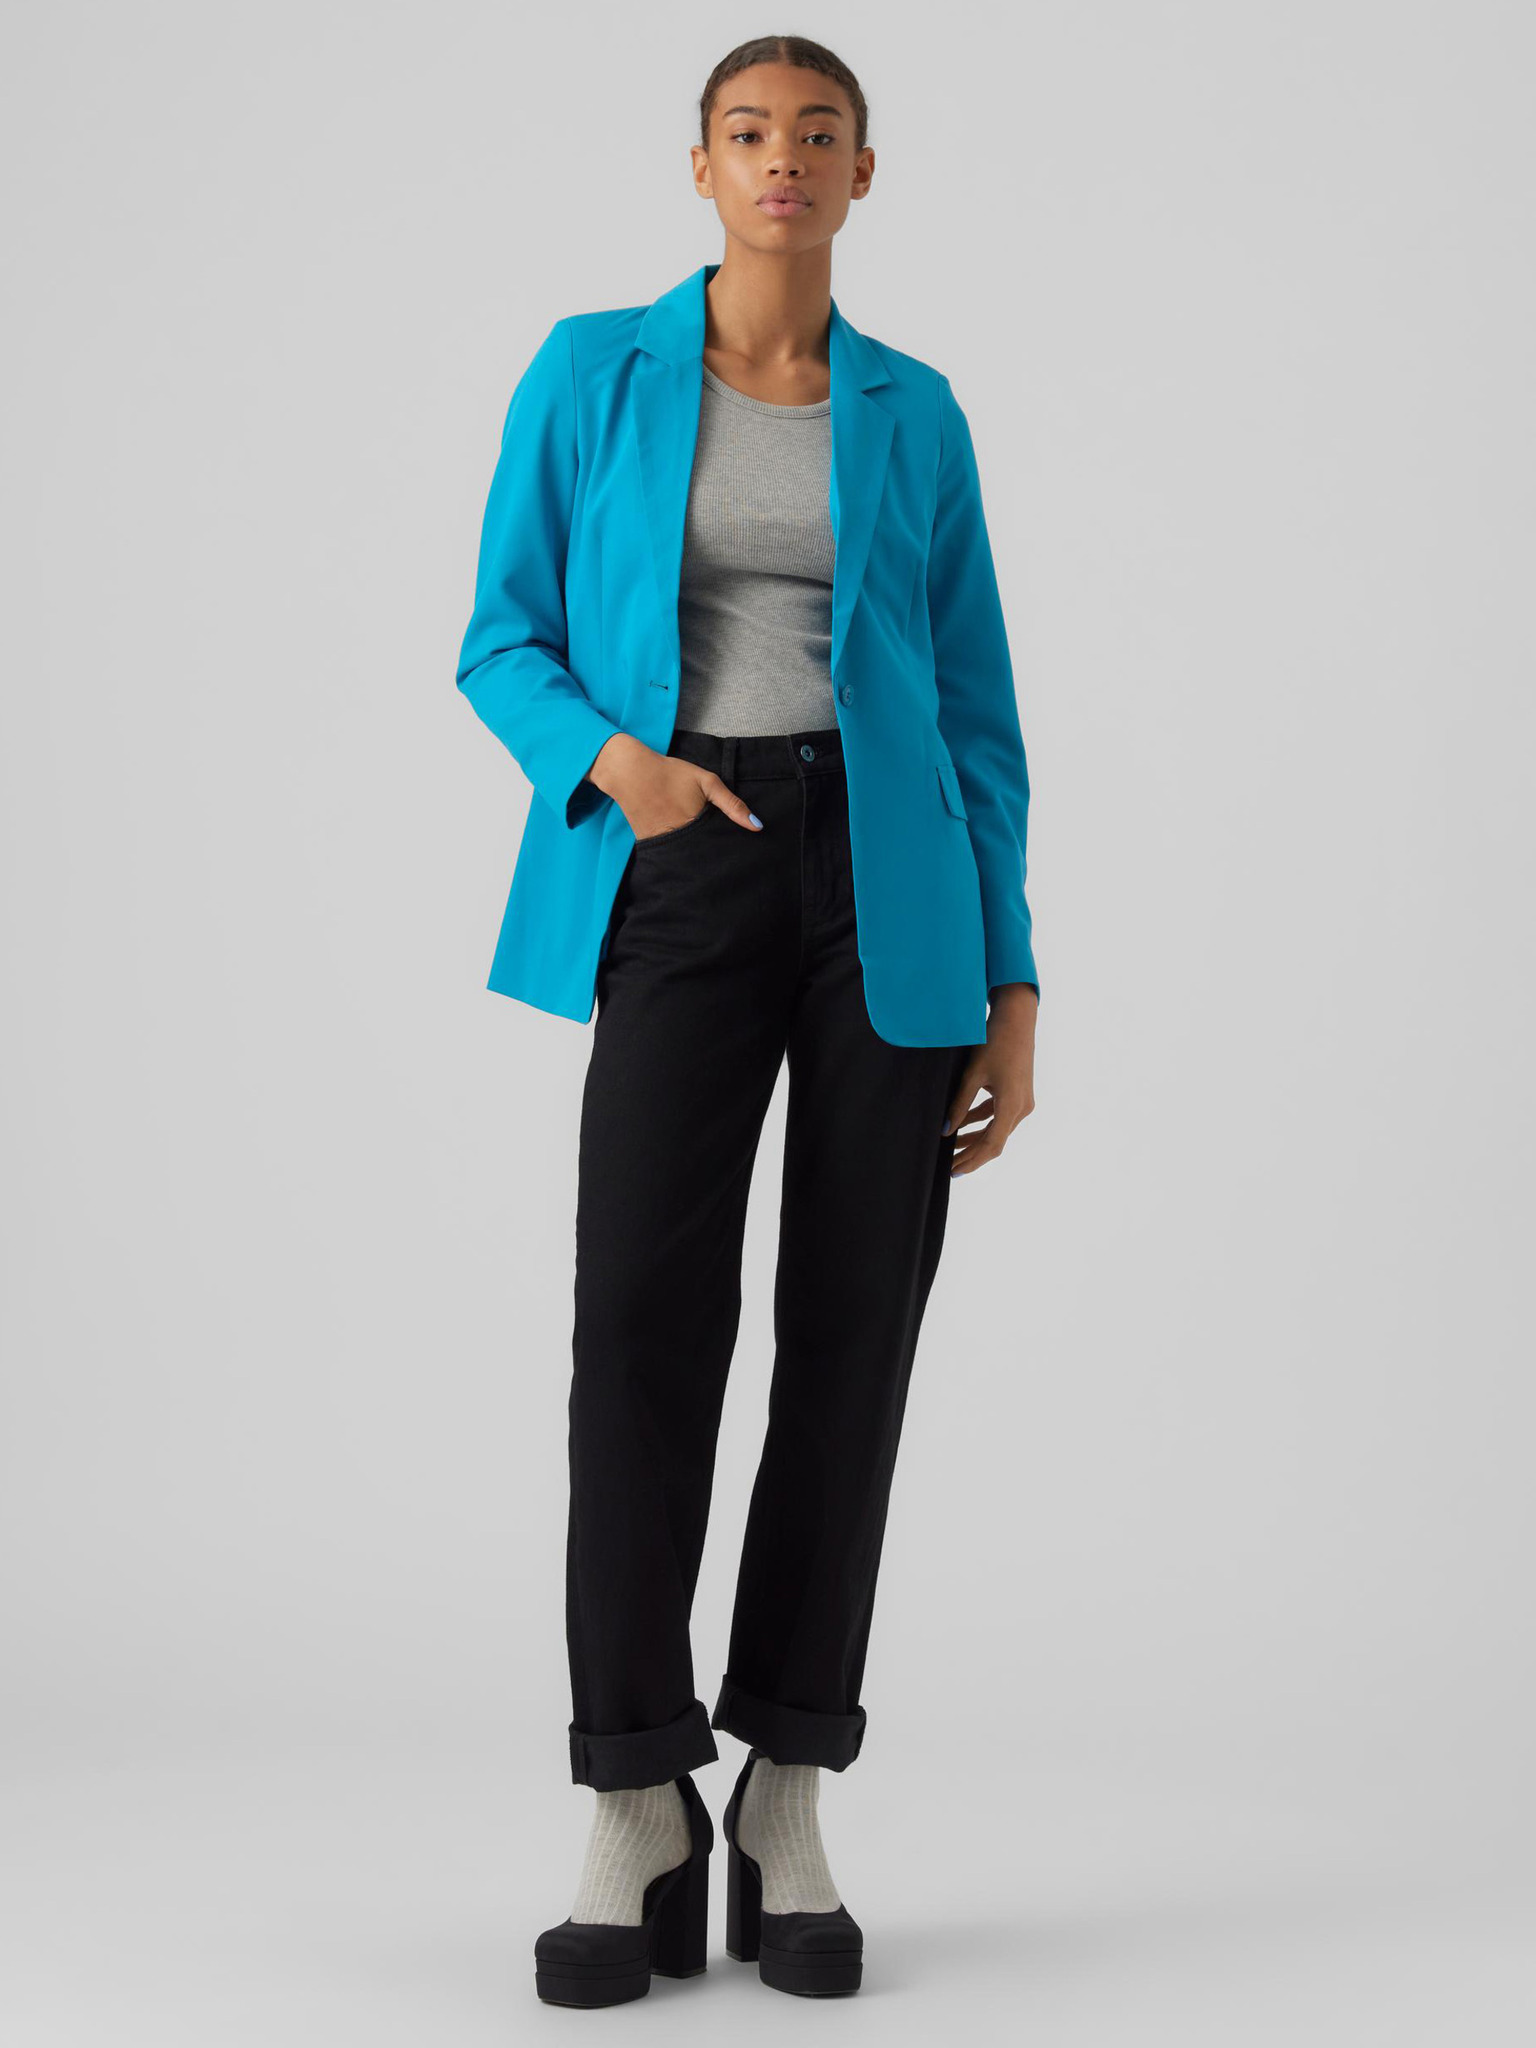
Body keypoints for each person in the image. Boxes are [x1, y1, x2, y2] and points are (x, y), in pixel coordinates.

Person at [454, 33, 1039, 2007]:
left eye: (819, 134)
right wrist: (616, 764)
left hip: (896, 888)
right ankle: (638, 1796)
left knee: (852, 1335)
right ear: (697, 166)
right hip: (683, 860)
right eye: (748, 131)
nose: (783, 159)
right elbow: (501, 636)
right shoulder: (592, 371)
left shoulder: (915, 410)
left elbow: (976, 714)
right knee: (638, 1320)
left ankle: (788, 1784)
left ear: (867, 174)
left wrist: (1014, 980)